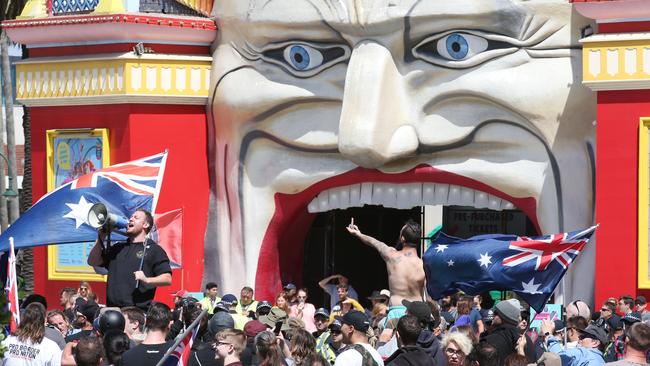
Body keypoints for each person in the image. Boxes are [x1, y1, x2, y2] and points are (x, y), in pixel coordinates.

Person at [87, 208, 172, 309]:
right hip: (112, 309)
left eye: (136, 218)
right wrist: (101, 236)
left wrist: (147, 280)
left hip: (136, 311)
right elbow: (93, 261)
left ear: (145, 225)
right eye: (131, 217)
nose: (131, 219)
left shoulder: (154, 250)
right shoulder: (118, 248)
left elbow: (167, 279)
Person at [346, 218, 424, 323]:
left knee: (384, 337)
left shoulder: (392, 256)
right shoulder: (424, 265)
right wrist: (436, 317)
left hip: (397, 311)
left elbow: (375, 243)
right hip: (417, 313)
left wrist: (358, 234)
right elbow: (429, 297)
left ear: (403, 238)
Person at [480, 299, 535, 364]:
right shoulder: (526, 340)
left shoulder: (490, 341)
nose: (493, 316)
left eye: (495, 313)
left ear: (503, 317)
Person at [542, 320, 606, 365]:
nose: (579, 339)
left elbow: (557, 357)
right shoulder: (601, 361)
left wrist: (548, 334)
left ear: (595, 343)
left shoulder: (584, 353)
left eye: (582, 337)